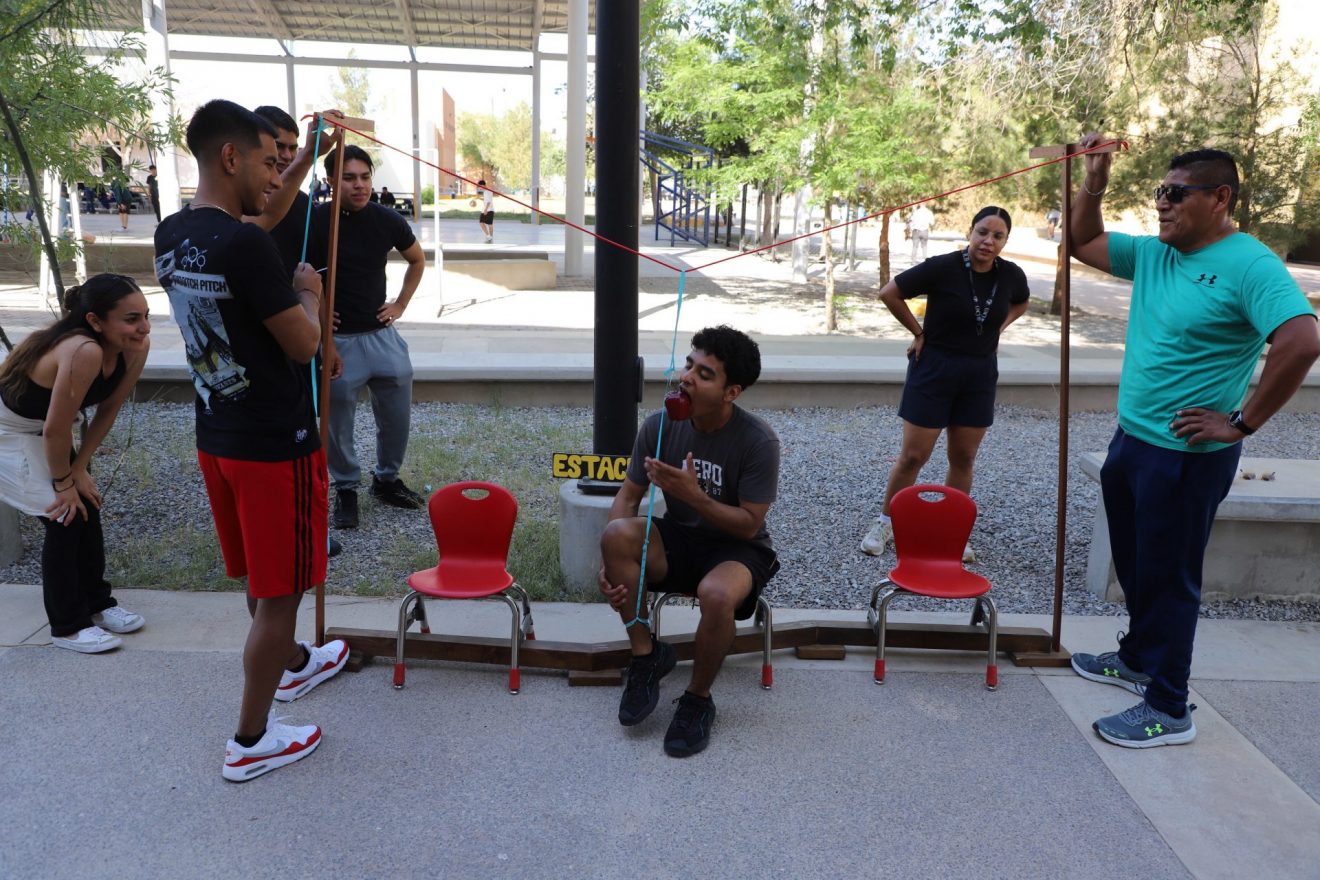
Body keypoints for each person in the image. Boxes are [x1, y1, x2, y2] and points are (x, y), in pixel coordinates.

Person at [1067, 135, 1319, 748]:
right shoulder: (1156, 253)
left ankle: (1169, 706)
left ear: (1219, 198)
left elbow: (1303, 340)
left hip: (1186, 456)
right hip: (1133, 439)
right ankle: (1137, 658)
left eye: (1177, 194)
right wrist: (1095, 179)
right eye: (1160, 191)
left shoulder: (1250, 264)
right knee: (1136, 565)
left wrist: (1240, 423)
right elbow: (1081, 241)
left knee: (1171, 578)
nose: (1162, 203)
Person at [155, 99, 348, 782]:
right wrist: (310, 292)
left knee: (267, 584)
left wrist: (309, 156)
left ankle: (292, 662)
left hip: (218, 434)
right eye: (269, 162)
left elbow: (254, 226)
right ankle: (251, 738)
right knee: (282, 592)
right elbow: (303, 344)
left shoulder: (174, 232)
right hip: (274, 443)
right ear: (231, 156)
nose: (276, 176)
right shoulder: (245, 246)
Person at [598, 326, 780, 758]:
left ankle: (697, 700)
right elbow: (628, 496)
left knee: (716, 593)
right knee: (616, 535)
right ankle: (646, 656)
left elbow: (749, 525)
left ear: (731, 392)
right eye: (688, 365)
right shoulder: (660, 426)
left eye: (704, 374)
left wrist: (694, 496)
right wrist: (609, 565)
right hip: (681, 538)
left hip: (738, 549)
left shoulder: (758, 441)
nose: (686, 378)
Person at [860, 206, 1030, 564]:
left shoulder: (1011, 275)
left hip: (979, 375)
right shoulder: (943, 267)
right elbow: (890, 293)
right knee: (913, 456)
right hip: (934, 369)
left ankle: (952, 531)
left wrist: (999, 327)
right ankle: (886, 523)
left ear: (1005, 241)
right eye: (982, 232)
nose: (988, 241)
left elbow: (1021, 302)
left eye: (997, 236)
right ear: (970, 232)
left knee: (964, 457)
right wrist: (918, 332)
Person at [0, 274, 150, 653]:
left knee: (87, 506)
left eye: (146, 316)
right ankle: (67, 626)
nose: (144, 327)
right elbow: (55, 429)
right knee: (63, 516)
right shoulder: (83, 350)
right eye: (131, 319)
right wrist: (64, 483)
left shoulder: (135, 347)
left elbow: (108, 410)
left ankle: (97, 604)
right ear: (95, 321)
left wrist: (79, 468)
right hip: (10, 431)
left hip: (47, 429)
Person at [309, 144, 427, 530]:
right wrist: (320, 319)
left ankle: (386, 479)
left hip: (381, 334)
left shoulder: (386, 219)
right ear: (330, 180)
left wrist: (401, 304)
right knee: (337, 420)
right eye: (348, 178)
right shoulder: (316, 221)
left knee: (396, 411)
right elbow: (300, 276)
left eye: (364, 177)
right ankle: (346, 488)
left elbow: (417, 259)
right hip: (338, 340)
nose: (359, 185)